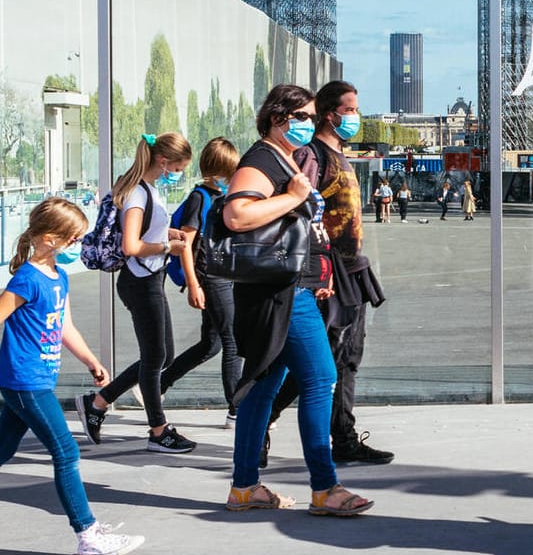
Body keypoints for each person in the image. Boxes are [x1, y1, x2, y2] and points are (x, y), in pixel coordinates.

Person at [0, 198, 143, 555]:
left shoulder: (59, 276)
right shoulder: (27, 278)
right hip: (25, 382)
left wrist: (90, 361)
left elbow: (64, 326)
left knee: (0, 450)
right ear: (52, 238)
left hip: (36, 379)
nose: (78, 246)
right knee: (66, 452)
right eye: (74, 239)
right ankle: (87, 536)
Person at [221, 84, 373, 516]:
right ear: (277, 118)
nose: (310, 123)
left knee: (265, 385)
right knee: (321, 378)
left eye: (310, 116)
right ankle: (325, 488)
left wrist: (318, 267)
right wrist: (293, 196)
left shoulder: (280, 158)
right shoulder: (261, 160)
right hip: (282, 293)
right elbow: (237, 214)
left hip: (287, 287)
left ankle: (244, 486)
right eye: (302, 116)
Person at [269, 80, 393, 466]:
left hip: (349, 269)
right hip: (327, 274)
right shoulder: (313, 156)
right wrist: (316, 270)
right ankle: (258, 423)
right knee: (312, 361)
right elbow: (299, 209)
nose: (355, 116)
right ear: (330, 114)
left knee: (345, 358)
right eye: (350, 109)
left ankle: (344, 437)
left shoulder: (337, 154)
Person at [75, 132, 196, 454]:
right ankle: (158, 430)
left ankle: (97, 402)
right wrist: (168, 246)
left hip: (148, 280)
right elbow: (131, 246)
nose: (179, 172)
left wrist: (163, 234)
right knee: (157, 357)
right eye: (179, 167)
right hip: (140, 281)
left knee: (163, 355)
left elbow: (142, 233)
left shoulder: (144, 190)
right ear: (163, 161)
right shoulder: (138, 194)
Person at [158, 137, 243, 429]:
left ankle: (160, 384)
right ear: (220, 168)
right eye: (230, 169)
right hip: (211, 277)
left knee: (211, 344)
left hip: (222, 275)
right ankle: (236, 408)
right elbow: (185, 244)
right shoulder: (201, 198)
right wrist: (193, 284)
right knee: (233, 339)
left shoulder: (219, 196)